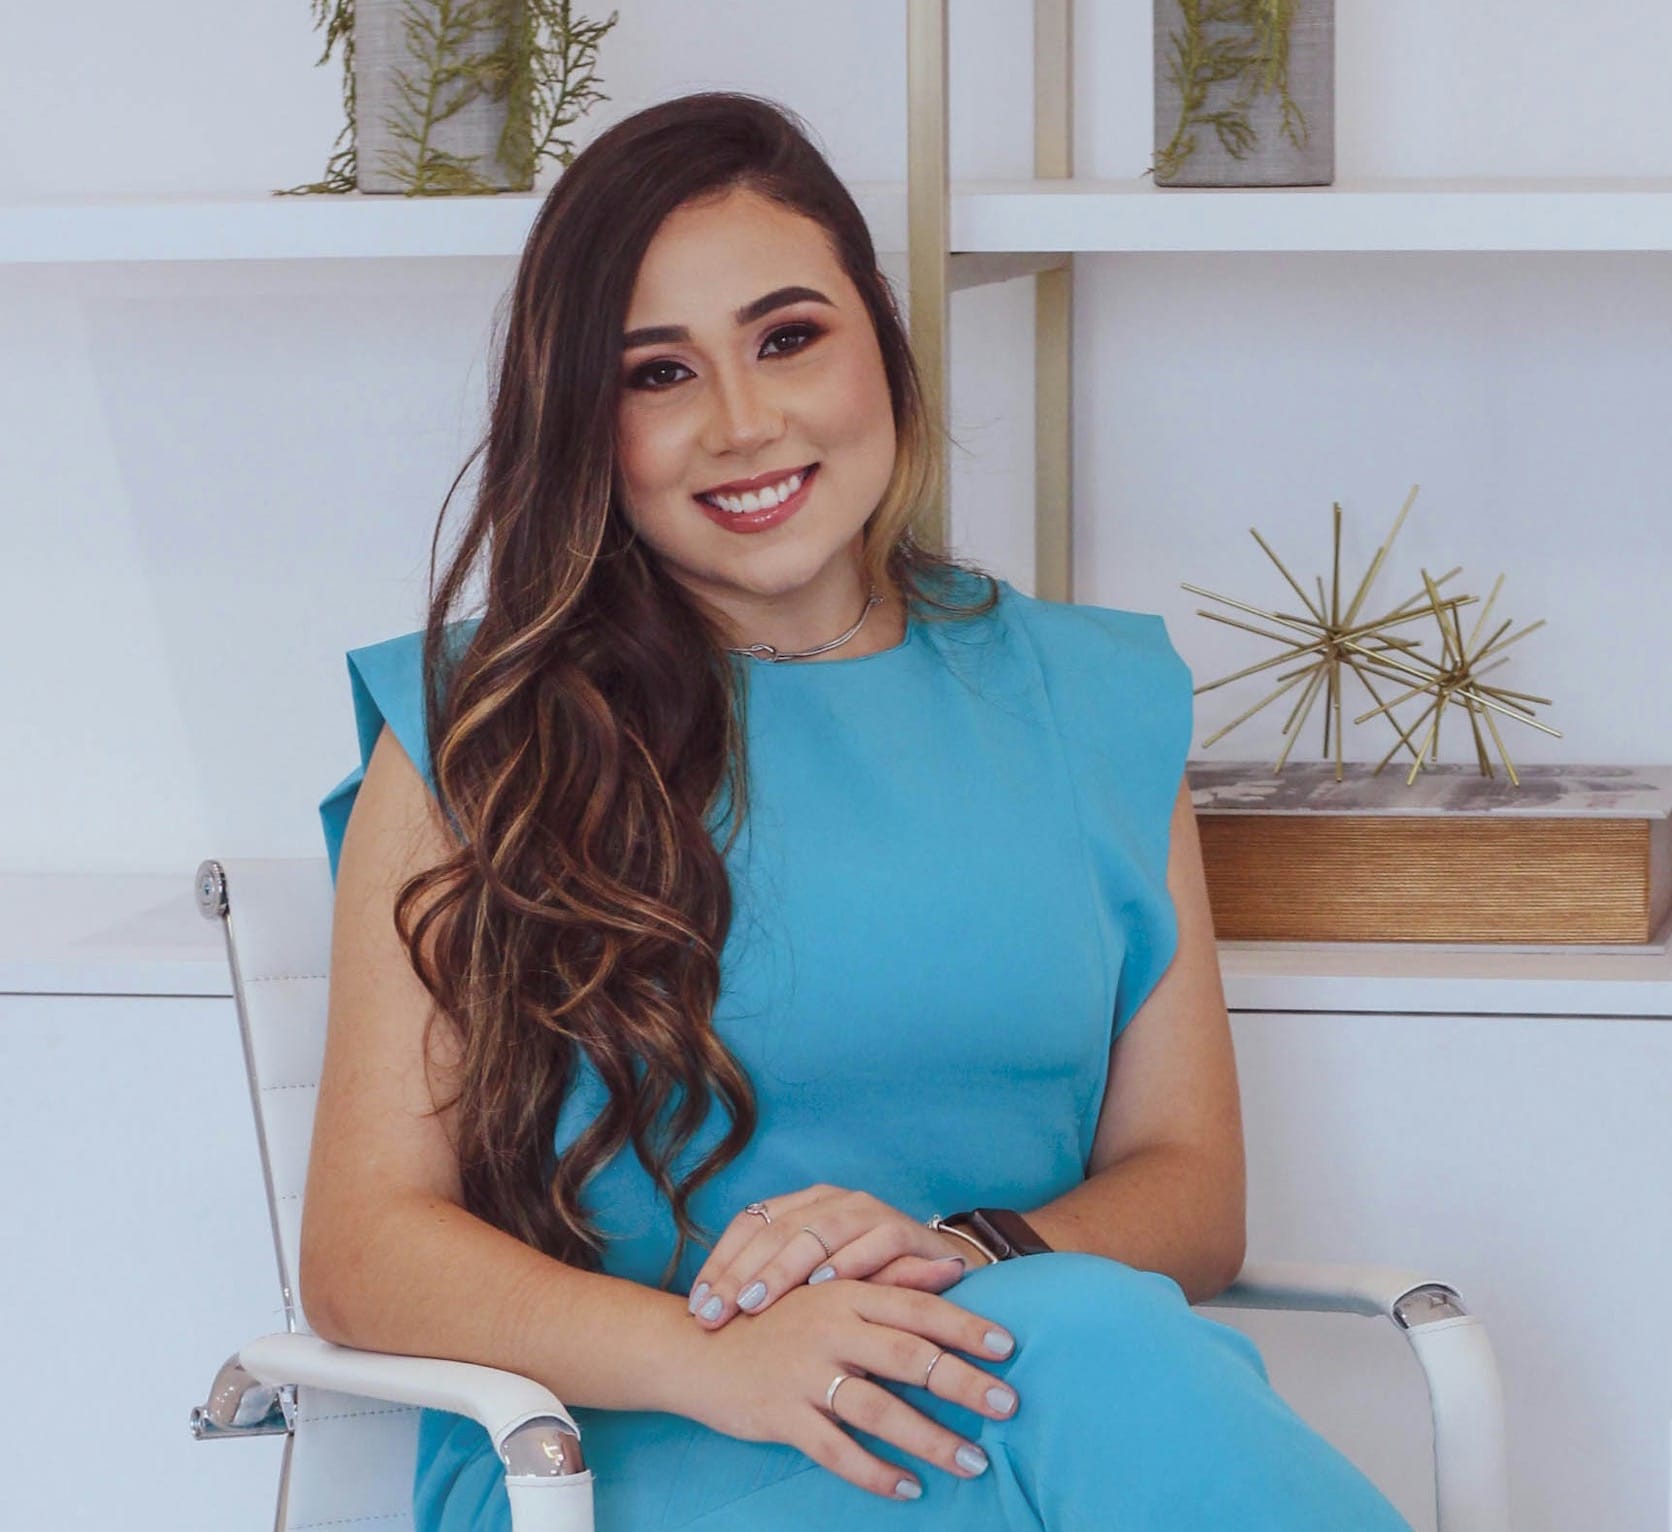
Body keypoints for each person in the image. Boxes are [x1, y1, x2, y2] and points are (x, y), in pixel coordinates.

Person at [309, 90, 1413, 1531]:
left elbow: (1189, 1192)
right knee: (1118, 1366)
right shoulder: (480, 727)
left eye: (788, 337)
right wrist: (730, 1363)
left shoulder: (1096, 700)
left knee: (1103, 1347)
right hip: (628, 1449)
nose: (742, 423)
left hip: (1015, 1391)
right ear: (586, 422)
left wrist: (946, 1258)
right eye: (657, 374)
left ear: (877, 337)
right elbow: (361, 1248)